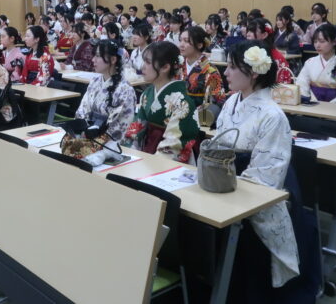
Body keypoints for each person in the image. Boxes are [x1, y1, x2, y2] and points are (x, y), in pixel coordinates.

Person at [214, 40, 300, 300]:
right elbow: (217, 145)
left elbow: (265, 178)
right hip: (224, 181)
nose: (225, 72)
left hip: (252, 192)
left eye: (232, 67)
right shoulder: (231, 101)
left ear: (253, 73)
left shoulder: (273, 116)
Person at [123, 41, 199, 164]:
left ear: (165, 67)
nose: (142, 67)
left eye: (148, 62)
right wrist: (131, 154)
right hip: (145, 155)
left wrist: (149, 162)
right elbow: (136, 130)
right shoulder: (147, 94)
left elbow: (174, 145)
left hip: (168, 161)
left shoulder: (182, 103)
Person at [76, 40, 136, 141]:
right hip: (87, 136)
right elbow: (83, 110)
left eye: (98, 56)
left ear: (113, 59)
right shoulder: (94, 81)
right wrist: (83, 131)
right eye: (94, 55)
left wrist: (96, 138)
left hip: (108, 142)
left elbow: (120, 126)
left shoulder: (125, 90)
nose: (93, 60)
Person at [296, 23, 336, 103]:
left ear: (334, 42)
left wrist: (329, 106)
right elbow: (301, 84)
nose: (317, 45)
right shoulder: (310, 62)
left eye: (322, 41)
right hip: (313, 104)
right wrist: (308, 100)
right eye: (315, 41)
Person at [177, 26, 225, 107]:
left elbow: (218, 101)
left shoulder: (210, 70)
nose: (181, 45)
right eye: (180, 40)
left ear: (199, 45)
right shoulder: (178, 65)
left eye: (186, 41)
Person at [246, 18, 292, 84]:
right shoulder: (246, 52)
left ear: (264, 35)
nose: (247, 34)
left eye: (252, 31)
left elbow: (283, 86)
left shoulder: (277, 59)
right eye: (248, 31)